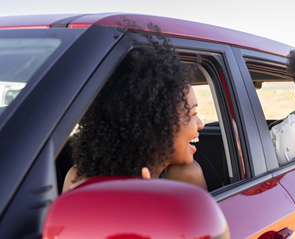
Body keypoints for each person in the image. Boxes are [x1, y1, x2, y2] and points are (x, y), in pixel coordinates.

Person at [63, 26, 207, 192]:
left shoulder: (186, 176)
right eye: (193, 113)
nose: (201, 123)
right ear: (157, 124)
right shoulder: (80, 180)